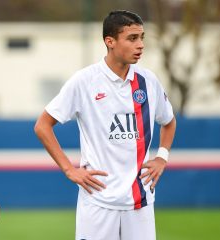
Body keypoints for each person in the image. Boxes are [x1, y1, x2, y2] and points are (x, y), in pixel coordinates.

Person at [34, 10, 176, 240]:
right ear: (109, 41)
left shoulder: (148, 81)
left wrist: (162, 157)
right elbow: (42, 125)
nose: (140, 45)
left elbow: (168, 122)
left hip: (140, 203)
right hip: (97, 200)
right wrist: (70, 170)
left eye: (142, 37)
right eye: (132, 38)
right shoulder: (85, 81)